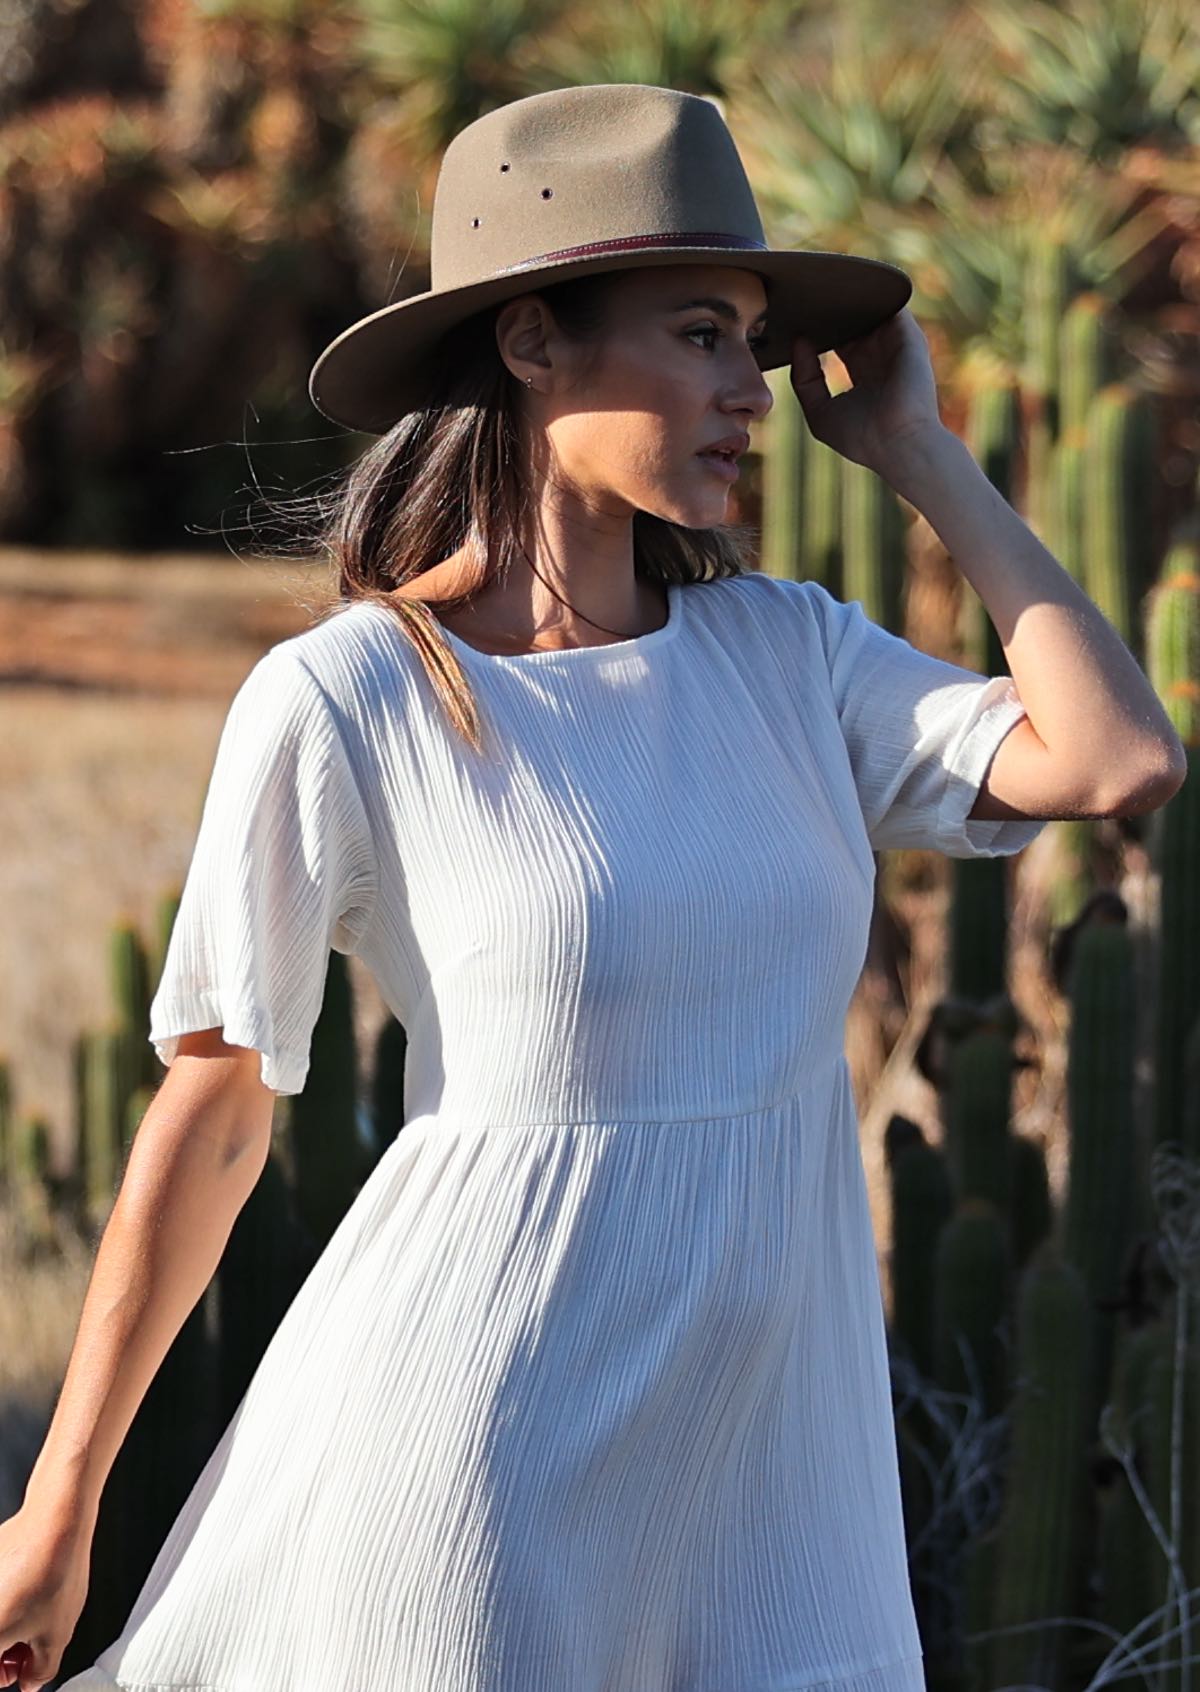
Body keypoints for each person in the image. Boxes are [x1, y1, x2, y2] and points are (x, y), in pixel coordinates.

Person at [2, 82, 1184, 1692]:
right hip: (468, 1456)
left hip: (781, 1487)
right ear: (531, 341)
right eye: (700, 332)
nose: (749, 391)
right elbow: (213, 1117)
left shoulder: (795, 658)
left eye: (753, 345)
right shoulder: (346, 700)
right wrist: (59, 1509)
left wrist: (916, 450)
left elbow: (1115, 760)